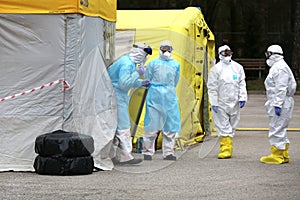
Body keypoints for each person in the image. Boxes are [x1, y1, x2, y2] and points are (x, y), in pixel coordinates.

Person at [108, 42, 152, 165]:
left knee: (115, 128)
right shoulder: (127, 64)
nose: (145, 58)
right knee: (123, 127)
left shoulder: (127, 61)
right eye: (145, 54)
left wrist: (140, 83)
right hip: (116, 97)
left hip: (114, 97)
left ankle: (111, 156)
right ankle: (126, 156)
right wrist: (138, 74)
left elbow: (125, 80)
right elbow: (123, 84)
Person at [142, 40, 181, 161]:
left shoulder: (176, 64)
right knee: (152, 125)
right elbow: (147, 78)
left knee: (170, 126)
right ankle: (147, 152)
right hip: (154, 95)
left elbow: (175, 80)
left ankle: (168, 152)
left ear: (171, 50)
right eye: (163, 48)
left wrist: (167, 89)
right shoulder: (153, 63)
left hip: (169, 97)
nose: (165, 51)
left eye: (167, 49)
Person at [207, 45, 247, 159]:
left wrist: (242, 97)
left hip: (234, 101)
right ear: (220, 54)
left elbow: (241, 83)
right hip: (221, 102)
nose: (227, 55)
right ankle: (225, 148)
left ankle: (228, 144)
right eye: (225, 53)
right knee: (223, 126)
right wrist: (214, 102)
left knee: (233, 124)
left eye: (229, 52)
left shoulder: (237, 67)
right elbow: (212, 87)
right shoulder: (216, 69)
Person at [260, 44, 297, 164]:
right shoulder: (279, 66)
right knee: (280, 127)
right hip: (280, 100)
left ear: (273, 55)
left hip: (280, 101)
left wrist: (277, 104)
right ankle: (283, 152)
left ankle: (277, 154)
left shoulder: (279, 68)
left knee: (276, 128)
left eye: (268, 54)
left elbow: (281, 87)